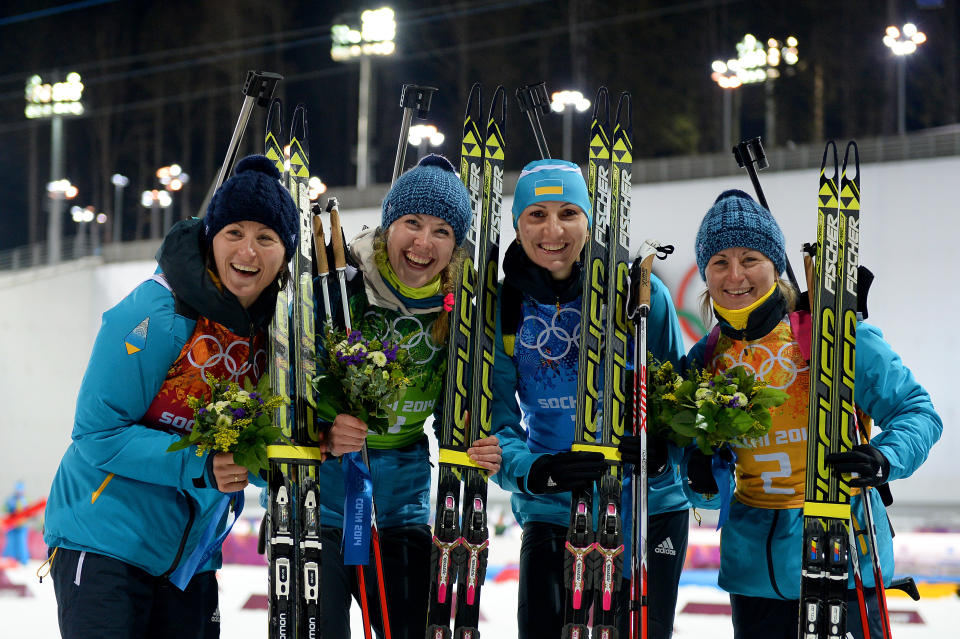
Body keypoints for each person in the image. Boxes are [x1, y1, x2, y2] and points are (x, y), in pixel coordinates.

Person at [43, 154, 299, 639]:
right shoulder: (157, 310)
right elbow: (98, 434)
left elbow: (257, 444)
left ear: (284, 254)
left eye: (266, 238)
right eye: (234, 233)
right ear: (211, 238)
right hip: (105, 543)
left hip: (190, 562)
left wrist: (312, 445)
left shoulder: (273, 336)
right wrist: (201, 463)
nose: (249, 250)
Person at [682, 189, 942, 639]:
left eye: (751, 258)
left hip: (844, 553)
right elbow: (703, 493)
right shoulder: (704, 360)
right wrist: (701, 477)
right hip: (754, 575)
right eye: (720, 261)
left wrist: (883, 458)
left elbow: (918, 412)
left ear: (775, 264)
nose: (736, 274)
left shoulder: (831, 335)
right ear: (705, 273)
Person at [490, 159, 690, 639]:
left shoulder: (641, 293)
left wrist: (663, 453)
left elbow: (678, 395)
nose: (552, 230)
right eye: (536, 214)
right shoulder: (504, 304)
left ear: (590, 220)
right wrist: (534, 470)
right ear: (517, 225)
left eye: (568, 213)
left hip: (648, 504)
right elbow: (492, 414)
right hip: (554, 503)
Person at [313, 154, 502, 639]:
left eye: (442, 230)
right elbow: (294, 380)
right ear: (387, 226)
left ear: (456, 244)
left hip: (403, 501)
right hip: (329, 497)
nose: (423, 243)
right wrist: (323, 430)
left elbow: (461, 400)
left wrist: (483, 442)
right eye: (411, 223)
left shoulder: (461, 301)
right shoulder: (343, 283)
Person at [2, 481, 30, 565]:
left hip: (22, 526)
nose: (19, 492)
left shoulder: (25, 500)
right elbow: (5, 510)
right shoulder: (11, 500)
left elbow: (29, 512)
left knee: (22, 543)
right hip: (12, 526)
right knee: (11, 543)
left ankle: (24, 560)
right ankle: (10, 559)